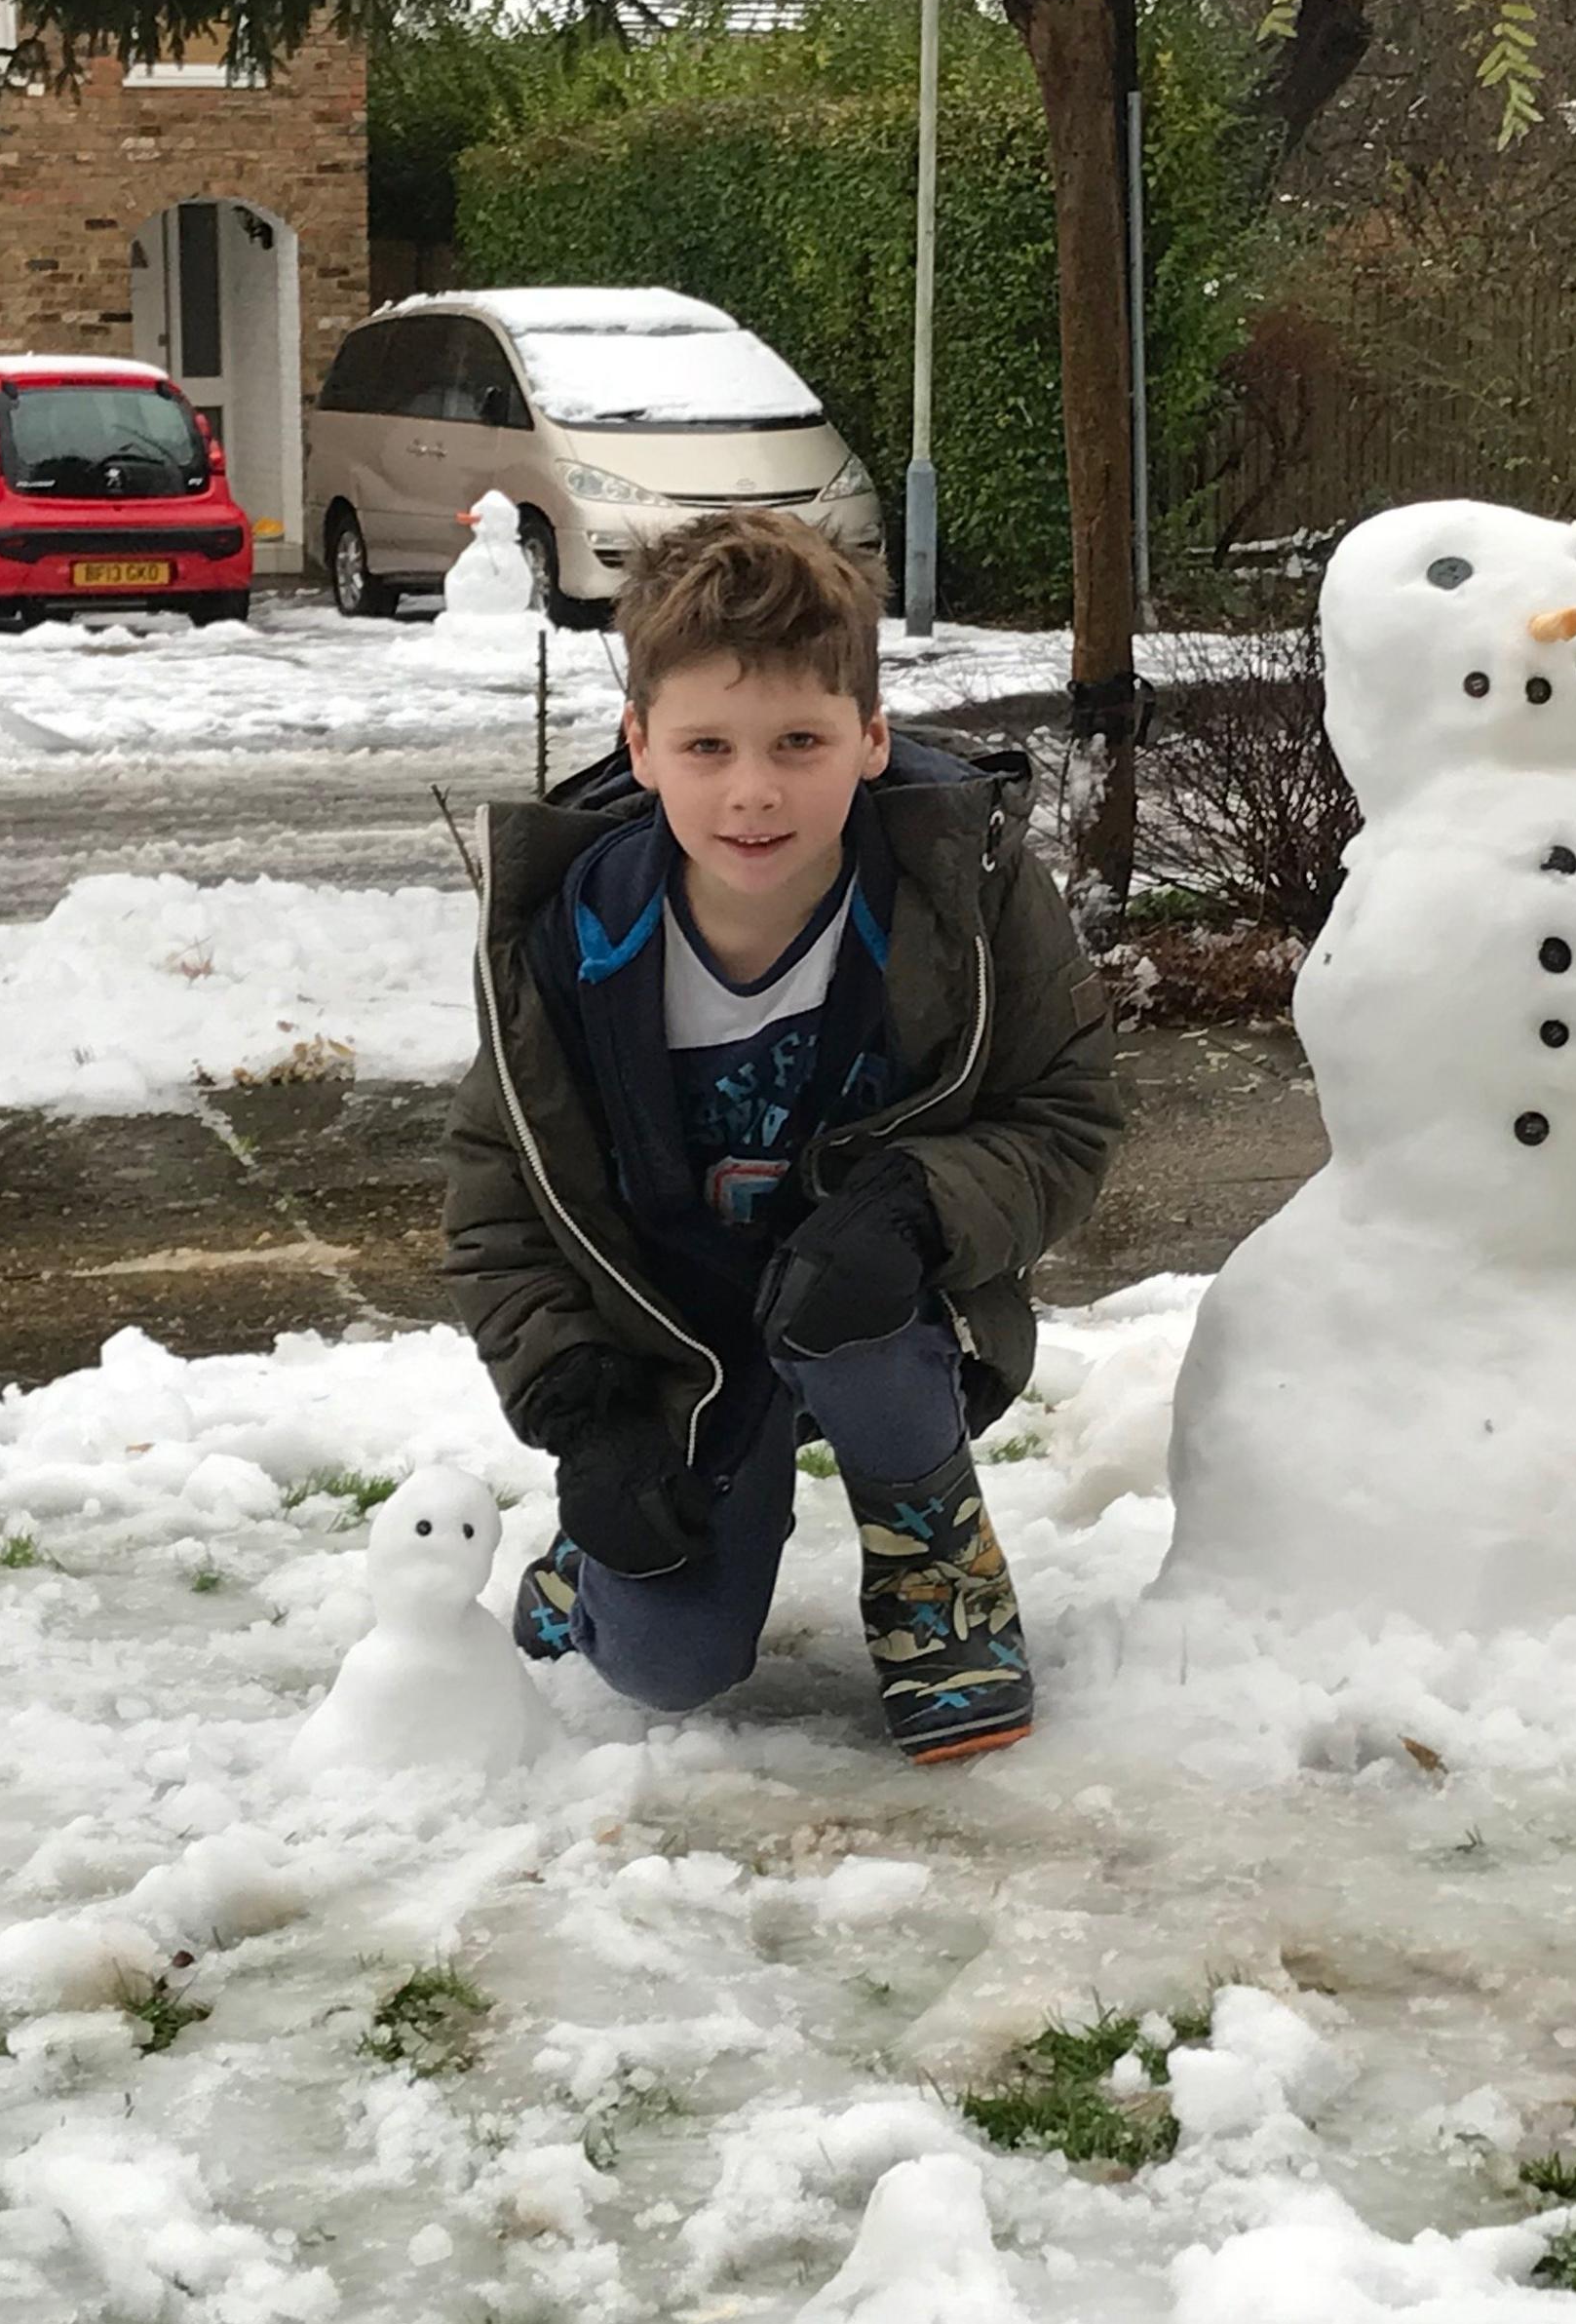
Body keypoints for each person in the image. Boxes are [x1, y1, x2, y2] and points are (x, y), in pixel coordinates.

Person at [444, 509, 1125, 1763]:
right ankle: (597, 1557)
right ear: (639, 745)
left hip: (880, 1309)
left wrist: (925, 1205)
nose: (753, 789)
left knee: (853, 1311)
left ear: (871, 739)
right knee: (667, 1668)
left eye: (799, 742)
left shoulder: (955, 897)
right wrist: (585, 1418)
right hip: (673, 1349)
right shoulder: (570, 938)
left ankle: (937, 1570)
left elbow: (1068, 1114)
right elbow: (499, 1202)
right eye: (707, 745)